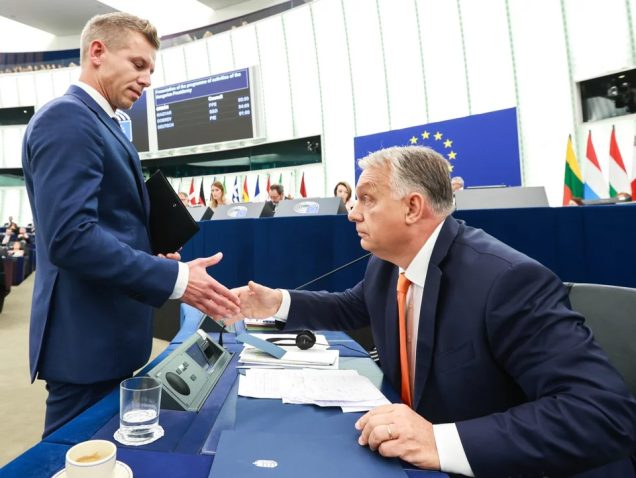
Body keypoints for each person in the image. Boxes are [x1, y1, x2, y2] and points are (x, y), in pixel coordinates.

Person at [229, 146, 636, 477]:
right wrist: (276, 302)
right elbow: (352, 306)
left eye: (367, 199)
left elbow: (602, 413)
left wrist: (438, 441)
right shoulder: (387, 265)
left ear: (412, 207)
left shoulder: (507, 281)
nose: (352, 212)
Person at [21, 12, 240, 438]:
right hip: (86, 343)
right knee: (73, 457)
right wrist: (177, 279)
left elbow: (106, 226)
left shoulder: (102, 123)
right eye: (138, 64)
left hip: (109, 337)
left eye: (151, 70)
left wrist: (152, 256)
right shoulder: (68, 118)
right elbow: (71, 238)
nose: (147, 80)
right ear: (97, 52)